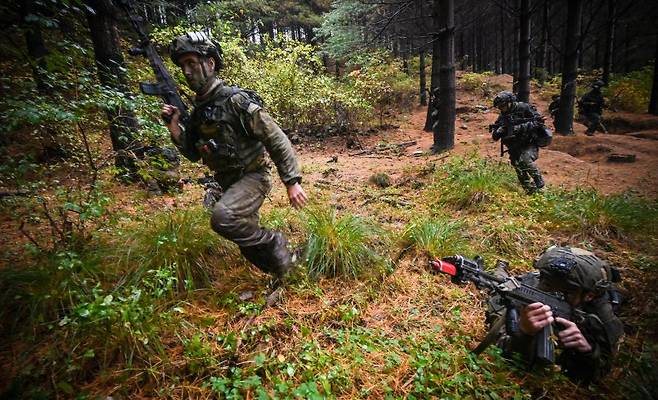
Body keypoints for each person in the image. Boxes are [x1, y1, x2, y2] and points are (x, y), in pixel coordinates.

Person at [160, 31, 308, 280]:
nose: (186, 71)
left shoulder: (236, 101)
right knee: (249, 246)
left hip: (253, 177)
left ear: (210, 64)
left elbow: (276, 138)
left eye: (192, 64)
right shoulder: (199, 113)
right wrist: (174, 125)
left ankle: (276, 241)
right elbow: (192, 154)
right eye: (182, 65)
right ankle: (287, 273)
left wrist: (291, 182)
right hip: (228, 182)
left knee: (223, 218)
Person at [489, 246, 624, 383]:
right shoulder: (527, 290)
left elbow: (602, 373)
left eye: (567, 292)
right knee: (499, 280)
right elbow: (498, 347)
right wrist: (524, 332)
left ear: (589, 296)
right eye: (548, 285)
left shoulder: (601, 314)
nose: (554, 295)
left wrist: (587, 352)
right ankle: (501, 268)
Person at [491, 91, 546, 194]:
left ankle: (540, 185)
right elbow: (495, 136)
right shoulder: (502, 116)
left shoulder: (524, 108)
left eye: (503, 105)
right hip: (513, 148)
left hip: (528, 143)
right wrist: (499, 131)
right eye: (499, 107)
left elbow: (538, 121)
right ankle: (530, 192)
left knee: (525, 161)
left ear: (510, 102)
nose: (501, 108)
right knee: (519, 169)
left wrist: (519, 128)